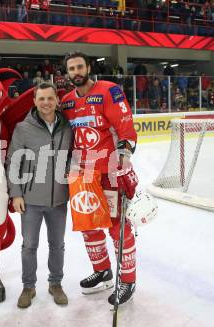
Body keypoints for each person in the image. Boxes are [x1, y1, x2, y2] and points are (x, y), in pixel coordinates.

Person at [61, 51, 138, 305]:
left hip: (109, 173)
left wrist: (124, 159)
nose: (76, 72)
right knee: (90, 227)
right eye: (71, 69)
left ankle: (127, 280)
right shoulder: (67, 102)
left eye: (79, 67)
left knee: (118, 229)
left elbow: (126, 128)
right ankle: (103, 269)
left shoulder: (109, 91)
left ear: (89, 66)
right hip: (84, 175)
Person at [6, 82, 72, 308]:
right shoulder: (23, 128)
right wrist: (16, 194)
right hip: (31, 200)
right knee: (29, 246)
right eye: (41, 99)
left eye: (50, 98)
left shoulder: (67, 127)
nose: (46, 103)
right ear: (34, 101)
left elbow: (73, 156)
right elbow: (13, 163)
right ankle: (28, 287)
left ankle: (55, 284)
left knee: (57, 245)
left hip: (59, 200)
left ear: (57, 101)